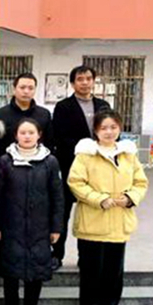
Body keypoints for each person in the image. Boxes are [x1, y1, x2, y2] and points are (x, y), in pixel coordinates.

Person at [68, 110, 148, 305]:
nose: (109, 132)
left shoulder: (128, 155)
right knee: (91, 272)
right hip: (92, 222)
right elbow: (75, 182)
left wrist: (130, 198)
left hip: (118, 221)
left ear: (120, 129)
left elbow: (141, 182)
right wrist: (99, 199)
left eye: (113, 127)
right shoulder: (85, 155)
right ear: (96, 131)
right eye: (104, 128)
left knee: (114, 273)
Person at [0, 118, 64, 305]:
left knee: (35, 276)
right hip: (11, 226)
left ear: (39, 135)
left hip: (40, 228)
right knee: (11, 276)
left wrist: (56, 227)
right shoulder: (5, 161)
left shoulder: (50, 162)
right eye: (23, 132)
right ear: (16, 136)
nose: (27, 136)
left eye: (31, 132)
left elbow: (58, 197)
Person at [52, 66, 111, 270]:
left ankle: (86, 257)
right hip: (70, 166)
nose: (85, 82)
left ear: (94, 81)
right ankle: (56, 255)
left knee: (91, 213)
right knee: (63, 212)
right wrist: (85, 150)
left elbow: (111, 133)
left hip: (98, 169)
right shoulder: (63, 107)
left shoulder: (103, 106)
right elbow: (59, 137)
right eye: (80, 79)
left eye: (88, 78)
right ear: (72, 83)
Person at [0, 73, 54, 151]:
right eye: (22, 87)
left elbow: (49, 143)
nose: (26, 91)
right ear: (14, 89)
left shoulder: (44, 114)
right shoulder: (1, 114)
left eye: (30, 88)